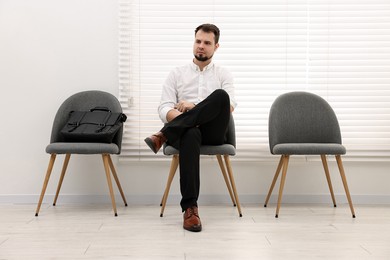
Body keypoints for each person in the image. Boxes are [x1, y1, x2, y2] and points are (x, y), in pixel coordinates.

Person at [144, 23, 237, 232]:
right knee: (191, 131)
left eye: (207, 43)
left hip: (213, 132)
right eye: (198, 41)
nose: (201, 46)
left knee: (221, 96)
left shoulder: (223, 75)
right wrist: (185, 118)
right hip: (185, 133)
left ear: (216, 46)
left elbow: (228, 107)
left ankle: (163, 135)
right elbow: (164, 107)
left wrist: (192, 107)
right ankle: (190, 209)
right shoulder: (176, 74)